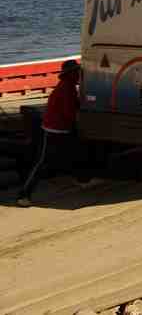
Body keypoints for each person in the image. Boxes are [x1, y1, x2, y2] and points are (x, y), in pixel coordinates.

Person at [17, 59, 86, 207]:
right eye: (76, 72)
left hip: (60, 128)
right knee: (41, 162)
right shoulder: (66, 90)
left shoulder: (66, 87)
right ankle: (24, 194)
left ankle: (80, 178)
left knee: (74, 152)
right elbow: (70, 112)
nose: (78, 74)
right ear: (70, 74)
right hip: (54, 129)